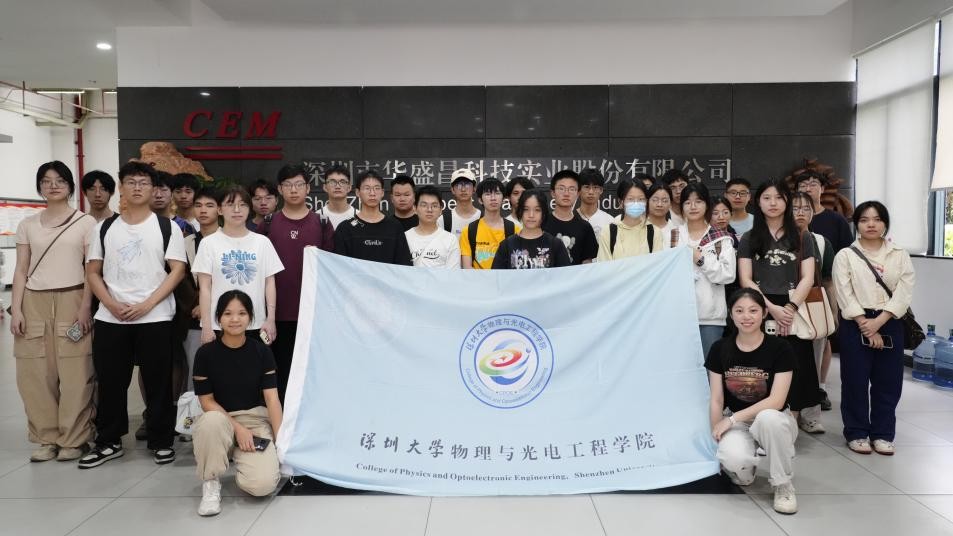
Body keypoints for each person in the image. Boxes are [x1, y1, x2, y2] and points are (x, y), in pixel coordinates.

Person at [80, 161, 187, 468]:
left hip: (155, 317)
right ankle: (109, 441)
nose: (137, 187)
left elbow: (177, 270)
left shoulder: (167, 227)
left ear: (153, 189)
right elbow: (93, 271)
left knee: (158, 382)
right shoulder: (104, 228)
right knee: (111, 382)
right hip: (111, 318)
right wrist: (111, 304)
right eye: (131, 182)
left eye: (144, 182)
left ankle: (161, 440)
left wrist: (147, 304)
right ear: (121, 188)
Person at [10, 161, 97, 462]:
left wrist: (85, 307)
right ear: (40, 187)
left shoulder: (86, 223)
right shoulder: (27, 225)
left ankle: (74, 439)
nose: (53, 185)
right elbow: (21, 270)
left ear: (70, 186)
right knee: (34, 373)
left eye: (60, 180)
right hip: (33, 301)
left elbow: (91, 270)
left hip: (73, 297)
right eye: (46, 181)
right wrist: (17, 309)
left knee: (76, 372)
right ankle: (46, 438)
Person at [737, 178, 824, 435]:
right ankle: (759, 422)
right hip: (759, 307)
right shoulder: (750, 237)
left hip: (794, 306)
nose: (773, 203)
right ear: (758, 202)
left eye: (778, 197)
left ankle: (789, 425)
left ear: (787, 201)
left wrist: (790, 308)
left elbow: (808, 277)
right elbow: (745, 279)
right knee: (761, 365)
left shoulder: (802, 236)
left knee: (795, 365)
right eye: (767, 198)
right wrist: (771, 309)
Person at [706, 288, 798, 515]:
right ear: (731, 314)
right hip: (739, 424)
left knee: (768, 419)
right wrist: (716, 434)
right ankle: (746, 467)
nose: (746, 316)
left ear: (764, 313)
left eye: (753, 310)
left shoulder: (781, 348)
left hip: (776, 419)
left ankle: (783, 484)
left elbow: (776, 401)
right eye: (739, 311)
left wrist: (731, 419)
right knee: (733, 460)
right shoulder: (719, 349)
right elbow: (717, 398)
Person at [833, 201, 915, 456]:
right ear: (856, 224)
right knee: (855, 381)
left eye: (877, 219)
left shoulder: (900, 254)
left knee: (888, 382)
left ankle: (882, 434)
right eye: (864, 219)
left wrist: (879, 322)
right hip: (855, 322)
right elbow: (843, 292)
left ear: (885, 224)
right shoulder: (845, 255)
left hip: (890, 320)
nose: (871, 224)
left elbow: (904, 292)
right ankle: (856, 432)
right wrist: (865, 324)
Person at [192, 290, 282, 516]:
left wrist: (281, 443)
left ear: (250, 317)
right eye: (228, 313)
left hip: (255, 421)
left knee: (262, 486)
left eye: (242, 313)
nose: (235, 319)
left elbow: (272, 399)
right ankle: (211, 481)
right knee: (211, 422)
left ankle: (240, 459)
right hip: (220, 419)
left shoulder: (262, 352)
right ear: (218, 318)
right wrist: (238, 429)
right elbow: (206, 402)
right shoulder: (205, 355)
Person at [259, 164, 334, 402]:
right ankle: (281, 420)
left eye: (299, 184)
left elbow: (332, 269)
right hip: (276, 315)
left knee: (312, 374)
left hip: (312, 314)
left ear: (308, 188)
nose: (294, 190)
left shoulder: (321, 223)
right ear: (280, 189)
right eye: (288, 185)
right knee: (279, 373)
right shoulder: (268, 224)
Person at [193, 186, 284, 346]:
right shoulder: (208, 243)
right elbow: (205, 288)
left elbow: (270, 283)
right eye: (230, 204)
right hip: (219, 324)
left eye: (242, 205)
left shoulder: (262, 242)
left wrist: (270, 319)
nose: (237, 210)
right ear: (220, 210)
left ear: (249, 209)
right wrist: (207, 326)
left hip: (256, 323)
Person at [796, 170, 853, 408]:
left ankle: (818, 391)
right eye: (803, 184)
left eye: (813, 184)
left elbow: (835, 271)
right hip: (785, 302)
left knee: (819, 343)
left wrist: (834, 306)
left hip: (815, 296)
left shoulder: (830, 228)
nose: (800, 212)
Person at [672, 182, 737, 356]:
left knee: (710, 367)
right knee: (682, 366)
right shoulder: (673, 235)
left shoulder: (721, 238)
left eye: (698, 201)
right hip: (679, 316)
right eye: (687, 202)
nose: (693, 207)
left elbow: (728, 275)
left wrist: (701, 260)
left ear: (707, 205)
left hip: (711, 317)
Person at [792, 192, 836, 412]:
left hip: (813, 305)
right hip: (784, 307)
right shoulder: (776, 239)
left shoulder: (821, 242)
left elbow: (828, 280)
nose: (801, 213)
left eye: (806, 209)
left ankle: (811, 412)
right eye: (795, 208)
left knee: (814, 359)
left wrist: (833, 312)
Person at [183, 187, 220, 394]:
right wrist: (196, 304)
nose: (203, 210)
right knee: (196, 369)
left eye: (209, 205)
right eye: (198, 205)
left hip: (227, 315)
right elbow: (181, 278)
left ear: (219, 209)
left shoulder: (229, 239)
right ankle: (195, 412)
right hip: (194, 317)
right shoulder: (186, 242)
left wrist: (208, 304)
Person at [334, 170, 413, 265]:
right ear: (358, 192)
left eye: (377, 188)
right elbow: (339, 267)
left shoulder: (394, 227)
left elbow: (404, 266)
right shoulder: (345, 229)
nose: (372, 193)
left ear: (382, 192)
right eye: (367, 188)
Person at [492, 189, 571, 269]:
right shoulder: (506, 245)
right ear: (520, 211)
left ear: (543, 213)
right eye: (526, 209)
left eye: (537, 210)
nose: (531, 215)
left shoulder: (556, 245)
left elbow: (566, 275)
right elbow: (496, 275)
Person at [596, 179, 663, 261]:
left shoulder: (654, 233)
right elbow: (604, 265)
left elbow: (657, 264)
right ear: (621, 202)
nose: (636, 203)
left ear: (646, 202)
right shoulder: (608, 232)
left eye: (641, 199)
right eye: (630, 199)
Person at [460, 178, 519, 269]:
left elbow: (517, 265)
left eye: (497, 193)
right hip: (477, 278)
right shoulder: (468, 231)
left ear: (503, 199)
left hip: (505, 278)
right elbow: (467, 268)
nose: (493, 198)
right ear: (480, 200)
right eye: (488, 194)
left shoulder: (515, 229)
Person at [543, 170, 598, 265]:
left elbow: (587, 264)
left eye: (572, 189)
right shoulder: (541, 223)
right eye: (561, 188)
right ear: (552, 193)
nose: (566, 193)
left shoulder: (585, 227)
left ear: (578, 194)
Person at [406, 185, 460, 269]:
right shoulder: (405, 237)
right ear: (415, 208)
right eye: (424, 205)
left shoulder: (450, 240)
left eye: (434, 206)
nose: (429, 210)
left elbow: (452, 274)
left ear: (441, 210)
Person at [153, 171, 196, 237]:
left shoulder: (184, 226)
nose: (159, 195)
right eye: (153, 190)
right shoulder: (139, 223)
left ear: (172, 193)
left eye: (164, 190)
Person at [442, 169, 482, 236]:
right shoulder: (443, 220)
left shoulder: (483, 218)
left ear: (474, 188)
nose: (463, 189)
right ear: (452, 190)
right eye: (459, 185)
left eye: (467, 184)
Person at [576, 168, 614, 237]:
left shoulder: (610, 221)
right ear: (579, 190)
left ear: (601, 190)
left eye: (595, 187)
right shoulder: (570, 217)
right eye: (587, 187)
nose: (591, 192)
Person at [318, 165, 356, 229]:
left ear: (349, 187)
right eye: (332, 182)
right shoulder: (317, 217)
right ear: (325, 187)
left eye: (342, 182)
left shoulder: (358, 216)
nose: (337, 186)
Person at [646, 183, 677, 248]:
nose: (659, 204)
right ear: (647, 201)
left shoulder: (675, 230)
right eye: (655, 200)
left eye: (665, 201)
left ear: (670, 204)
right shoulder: (639, 227)